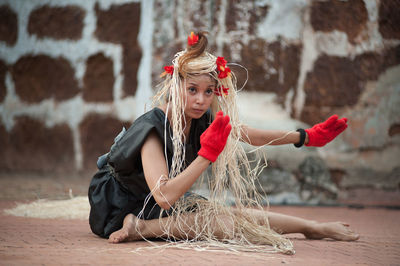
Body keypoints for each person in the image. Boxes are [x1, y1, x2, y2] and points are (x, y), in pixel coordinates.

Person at [88, 31, 359, 254]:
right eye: (192, 90)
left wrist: (305, 136)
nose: (200, 100)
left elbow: (246, 133)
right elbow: (165, 197)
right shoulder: (151, 129)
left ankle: (312, 227)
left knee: (233, 215)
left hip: (149, 203)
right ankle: (140, 229)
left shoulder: (198, 119)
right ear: (175, 86)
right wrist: (206, 156)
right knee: (216, 222)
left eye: (208, 92)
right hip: (118, 208)